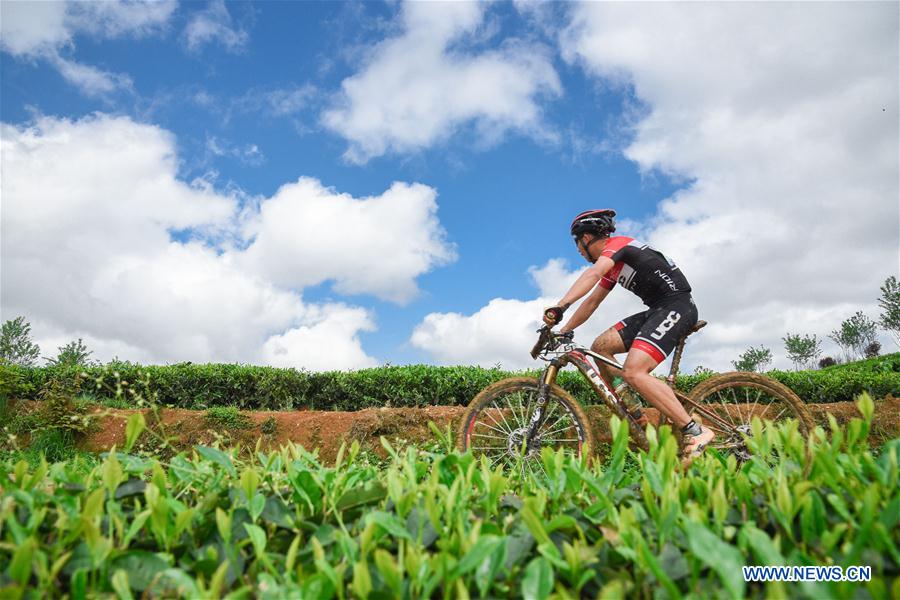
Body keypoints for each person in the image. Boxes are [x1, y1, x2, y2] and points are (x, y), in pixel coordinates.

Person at [542, 209, 714, 464]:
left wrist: (561, 305)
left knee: (635, 371)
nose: (578, 250)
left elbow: (591, 275)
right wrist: (563, 330)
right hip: (657, 309)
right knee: (600, 346)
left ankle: (695, 431)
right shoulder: (613, 268)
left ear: (587, 237)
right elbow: (591, 302)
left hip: (678, 306)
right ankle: (634, 411)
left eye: (577, 243)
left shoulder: (618, 246)